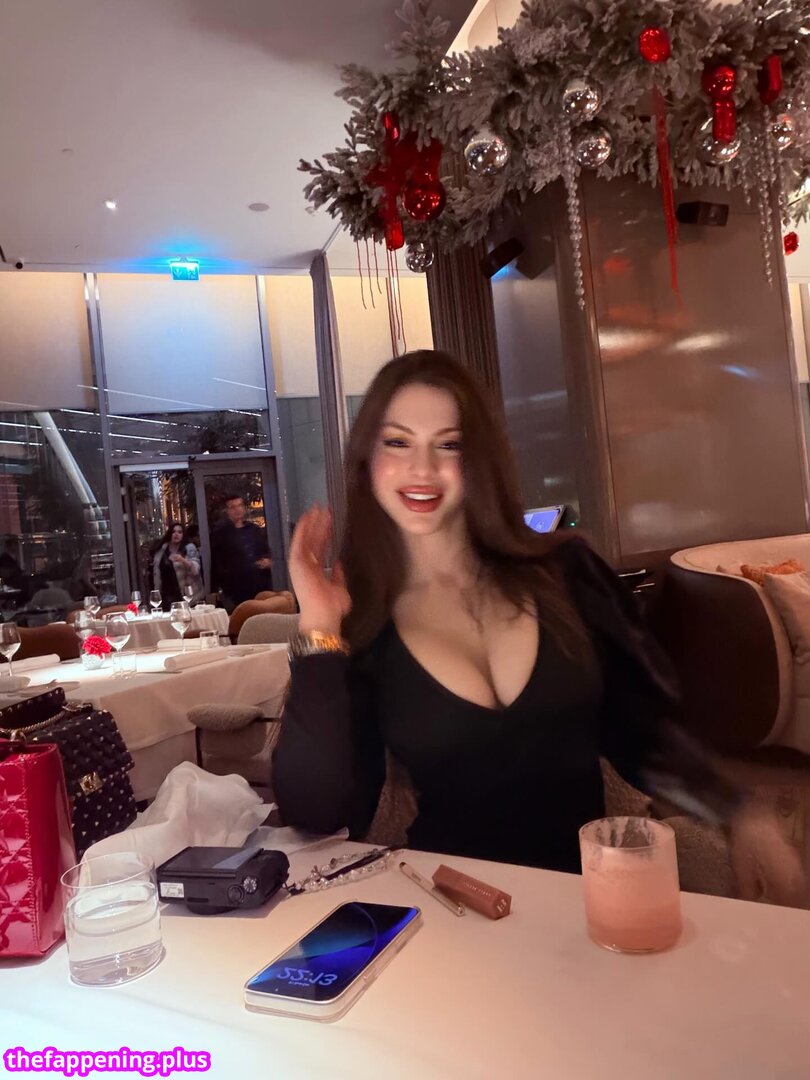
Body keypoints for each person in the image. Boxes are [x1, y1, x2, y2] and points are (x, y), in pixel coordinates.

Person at [273, 350, 804, 904]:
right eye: (397, 442)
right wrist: (319, 628)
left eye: (449, 444)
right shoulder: (363, 622)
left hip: (589, 900)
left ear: (479, 458)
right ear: (367, 457)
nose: (423, 469)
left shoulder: (567, 572)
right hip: (454, 911)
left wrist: (739, 810)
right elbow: (320, 813)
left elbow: (644, 734)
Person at [210, 495, 273, 610]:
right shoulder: (221, 533)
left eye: (239, 505)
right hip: (236, 587)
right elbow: (216, 561)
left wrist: (267, 561)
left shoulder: (254, 529)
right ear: (227, 511)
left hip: (260, 583)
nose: (237, 510)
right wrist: (214, 589)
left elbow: (265, 550)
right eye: (233, 507)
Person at [149, 522, 203, 608]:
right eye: (173, 532)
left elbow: (196, 569)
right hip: (166, 595)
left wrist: (182, 560)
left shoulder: (189, 548)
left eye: (180, 532)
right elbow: (156, 572)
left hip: (186, 594)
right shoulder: (162, 550)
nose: (176, 534)